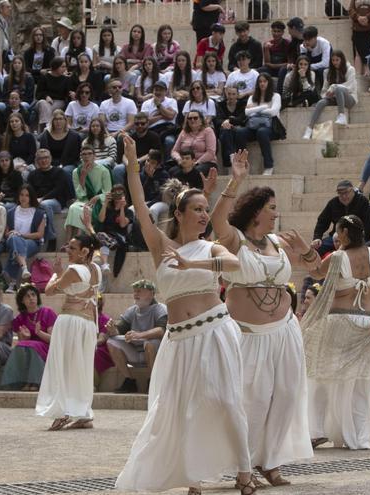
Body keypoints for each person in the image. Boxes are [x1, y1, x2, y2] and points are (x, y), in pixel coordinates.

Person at [116, 135, 255, 494]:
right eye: (196, 209)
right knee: (181, 408)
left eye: (205, 210)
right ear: (178, 215)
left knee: (225, 399)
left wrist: (192, 261)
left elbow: (234, 263)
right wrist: (132, 162)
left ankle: (244, 470)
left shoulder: (211, 246)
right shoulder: (160, 245)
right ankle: (192, 475)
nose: (203, 215)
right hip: (178, 338)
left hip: (214, 329)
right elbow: (139, 206)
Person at [211, 150, 316, 482]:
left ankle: (270, 461)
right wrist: (236, 179)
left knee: (285, 394)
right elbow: (216, 221)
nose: (276, 213)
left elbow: (313, 267)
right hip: (248, 333)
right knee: (251, 401)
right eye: (271, 208)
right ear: (257, 211)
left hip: (285, 330)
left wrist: (306, 249)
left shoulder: (276, 241)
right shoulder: (235, 240)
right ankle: (244, 464)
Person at [303, 179, 370, 451]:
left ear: (344, 234)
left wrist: (305, 250)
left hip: (340, 320)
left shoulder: (335, 258)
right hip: (368, 322)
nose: (336, 236)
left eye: (338, 233)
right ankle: (358, 435)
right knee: (360, 382)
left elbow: (314, 272)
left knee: (322, 375)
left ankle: (318, 429)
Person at [37, 234, 102, 430]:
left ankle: (63, 412)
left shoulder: (74, 270)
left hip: (71, 322)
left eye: (72, 248)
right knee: (81, 368)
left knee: (64, 366)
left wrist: (56, 273)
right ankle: (82, 413)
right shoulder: (96, 268)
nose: (68, 250)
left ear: (84, 251)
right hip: (88, 324)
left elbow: (49, 291)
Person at [106, 279, 168, 393]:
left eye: (139, 291)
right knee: (112, 341)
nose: (135, 294)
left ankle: (153, 381)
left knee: (149, 343)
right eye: (134, 291)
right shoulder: (132, 310)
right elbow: (120, 330)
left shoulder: (160, 308)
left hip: (154, 352)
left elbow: (161, 330)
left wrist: (139, 335)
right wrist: (112, 330)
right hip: (135, 352)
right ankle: (129, 381)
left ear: (151, 294)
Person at [0, 283, 55, 391]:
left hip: (47, 347)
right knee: (21, 346)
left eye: (33, 295)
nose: (31, 298)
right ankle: (23, 381)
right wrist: (26, 338)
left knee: (32, 346)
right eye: (27, 296)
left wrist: (39, 333)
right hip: (31, 347)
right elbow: (22, 342)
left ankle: (34, 382)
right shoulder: (21, 318)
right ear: (22, 301)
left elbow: (53, 339)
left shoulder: (47, 312)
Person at [303, 49, 357, 139]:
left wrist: (334, 87)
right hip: (335, 98)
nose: (335, 62)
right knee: (321, 102)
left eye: (337, 60)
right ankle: (309, 128)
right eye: (333, 60)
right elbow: (324, 90)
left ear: (342, 60)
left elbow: (350, 87)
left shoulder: (350, 69)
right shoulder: (327, 72)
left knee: (338, 88)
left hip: (350, 98)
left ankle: (341, 115)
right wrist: (327, 95)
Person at [312, 180, 370, 255]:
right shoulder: (333, 203)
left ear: (352, 191)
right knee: (317, 249)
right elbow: (322, 221)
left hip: (357, 237)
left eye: (346, 193)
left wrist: (362, 237)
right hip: (337, 237)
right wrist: (317, 237)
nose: (344, 196)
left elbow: (368, 223)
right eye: (340, 194)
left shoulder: (362, 201)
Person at [27, 148, 73, 250]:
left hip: (55, 202)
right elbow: (29, 190)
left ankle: (52, 238)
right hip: (37, 201)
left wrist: (42, 198)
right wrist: (35, 200)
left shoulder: (60, 172)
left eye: (46, 157)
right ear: (36, 161)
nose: (44, 160)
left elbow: (58, 190)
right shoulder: (33, 174)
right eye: (41, 158)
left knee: (45, 204)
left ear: (51, 158)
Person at [65, 146, 112, 239]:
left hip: (99, 202)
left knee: (81, 210)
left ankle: (77, 240)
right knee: (72, 208)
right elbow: (79, 195)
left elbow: (109, 192)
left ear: (94, 156)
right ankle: (68, 242)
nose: (87, 156)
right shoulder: (76, 172)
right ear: (81, 157)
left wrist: (97, 197)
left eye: (89, 154)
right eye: (84, 154)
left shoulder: (103, 170)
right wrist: (82, 177)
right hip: (83, 200)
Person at [4, 185, 46, 286]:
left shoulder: (39, 213)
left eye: (27, 195)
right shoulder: (10, 212)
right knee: (14, 239)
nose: (24, 197)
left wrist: (21, 235)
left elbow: (40, 234)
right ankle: (24, 268)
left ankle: (12, 284)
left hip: (32, 242)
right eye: (21, 195)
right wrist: (11, 234)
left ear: (31, 197)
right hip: (12, 239)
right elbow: (6, 233)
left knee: (18, 246)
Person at [299, 26, 332, 93]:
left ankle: (324, 93)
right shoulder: (303, 46)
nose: (307, 42)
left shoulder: (324, 43)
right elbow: (303, 63)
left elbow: (326, 63)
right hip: (312, 67)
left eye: (309, 40)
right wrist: (309, 51)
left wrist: (309, 67)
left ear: (315, 37)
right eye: (305, 40)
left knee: (321, 71)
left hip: (324, 67)